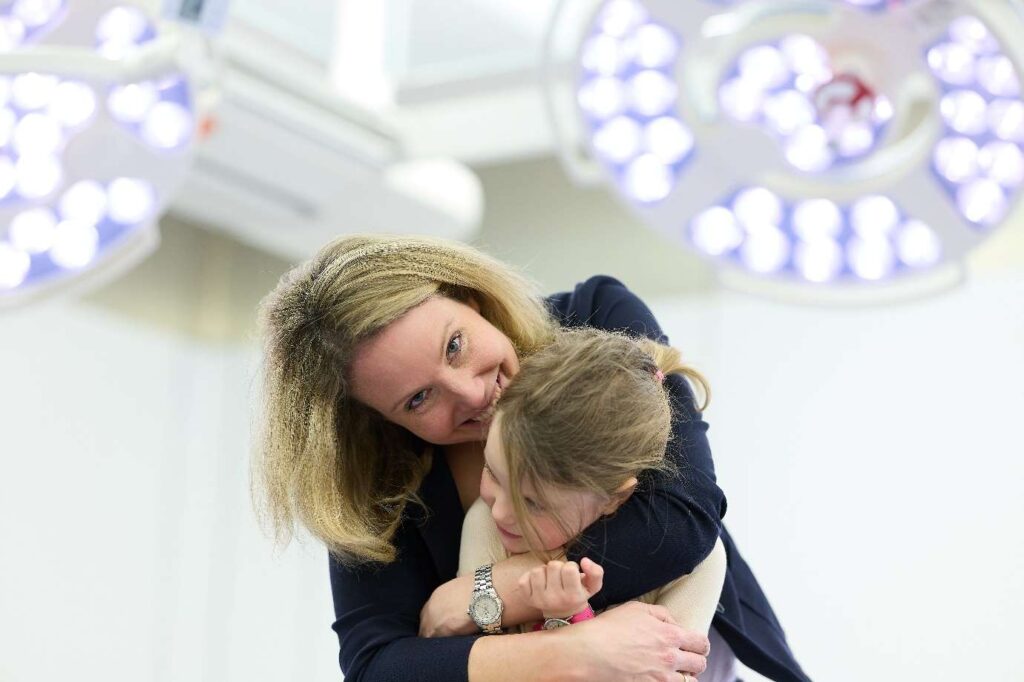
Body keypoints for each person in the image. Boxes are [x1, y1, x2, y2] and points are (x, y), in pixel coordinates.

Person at [255, 234, 811, 682]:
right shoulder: (375, 481)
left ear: (468, 297)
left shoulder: (595, 320)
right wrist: (579, 653)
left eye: (455, 345)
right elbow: (378, 666)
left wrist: (488, 593)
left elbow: (684, 521)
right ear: (380, 420)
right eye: (418, 398)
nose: (472, 394)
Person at [456, 327, 728, 642]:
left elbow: (669, 672)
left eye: (532, 503)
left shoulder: (694, 564)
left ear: (614, 497)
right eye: (492, 471)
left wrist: (571, 617)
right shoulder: (486, 525)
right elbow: (472, 661)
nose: (500, 511)